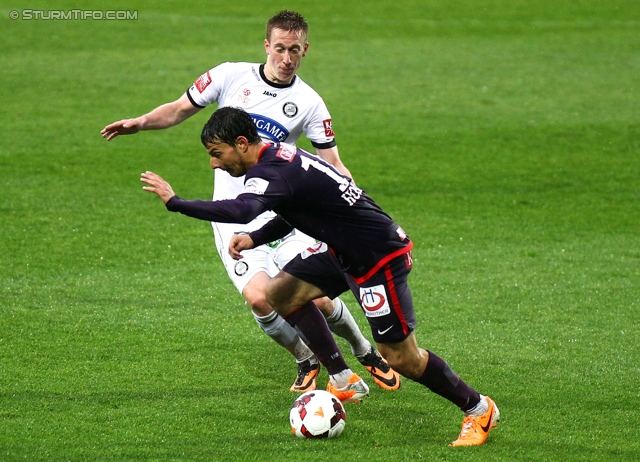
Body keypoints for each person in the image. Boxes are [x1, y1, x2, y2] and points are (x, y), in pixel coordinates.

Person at [140, 106, 500, 446]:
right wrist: (255, 238)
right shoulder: (278, 156)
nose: (213, 163)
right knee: (279, 294)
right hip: (342, 250)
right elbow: (299, 209)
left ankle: (478, 409)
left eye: (217, 153)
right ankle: (343, 378)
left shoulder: (271, 172)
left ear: (242, 144)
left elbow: (242, 208)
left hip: (377, 258)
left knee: (402, 359)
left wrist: (176, 202)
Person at [101, 10, 399, 394]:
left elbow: (333, 165)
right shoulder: (229, 76)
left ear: (305, 49)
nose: (287, 58)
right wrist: (139, 122)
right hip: (233, 218)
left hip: (283, 214)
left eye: (294, 50)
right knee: (261, 299)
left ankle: (363, 351)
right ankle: (306, 357)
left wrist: (354, 209)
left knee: (319, 301)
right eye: (280, 49)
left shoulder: (309, 102)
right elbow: (178, 109)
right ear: (266, 46)